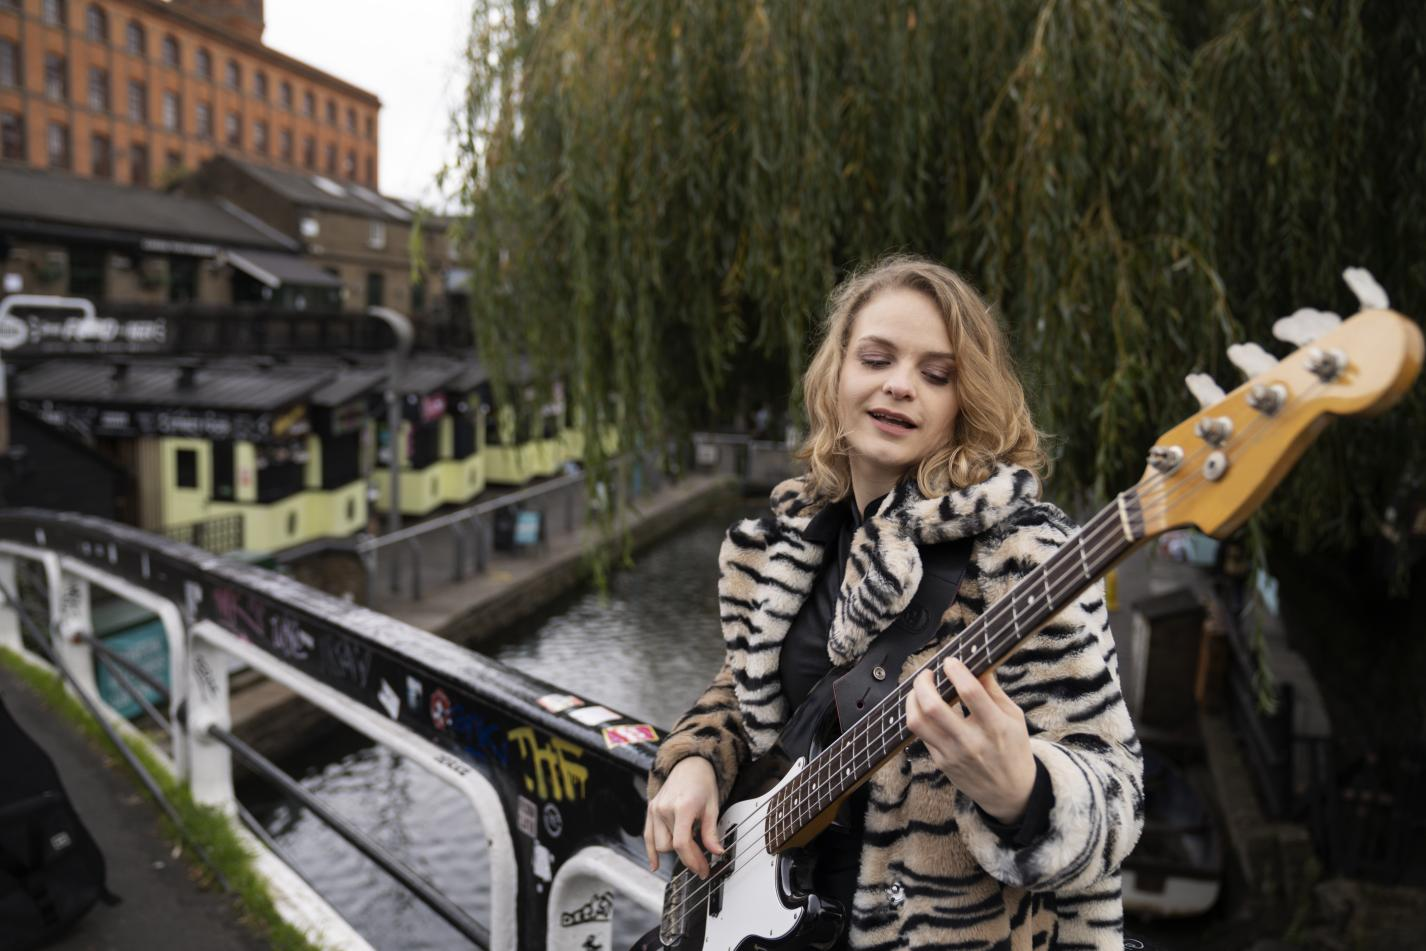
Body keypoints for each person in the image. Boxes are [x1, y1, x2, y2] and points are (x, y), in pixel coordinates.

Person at [643, 255, 1144, 949]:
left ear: (964, 402)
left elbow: (1117, 794)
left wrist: (1023, 792)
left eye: (936, 375)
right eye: (876, 358)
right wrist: (698, 757)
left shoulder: (1023, 554)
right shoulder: (786, 540)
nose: (901, 386)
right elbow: (748, 687)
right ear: (836, 375)